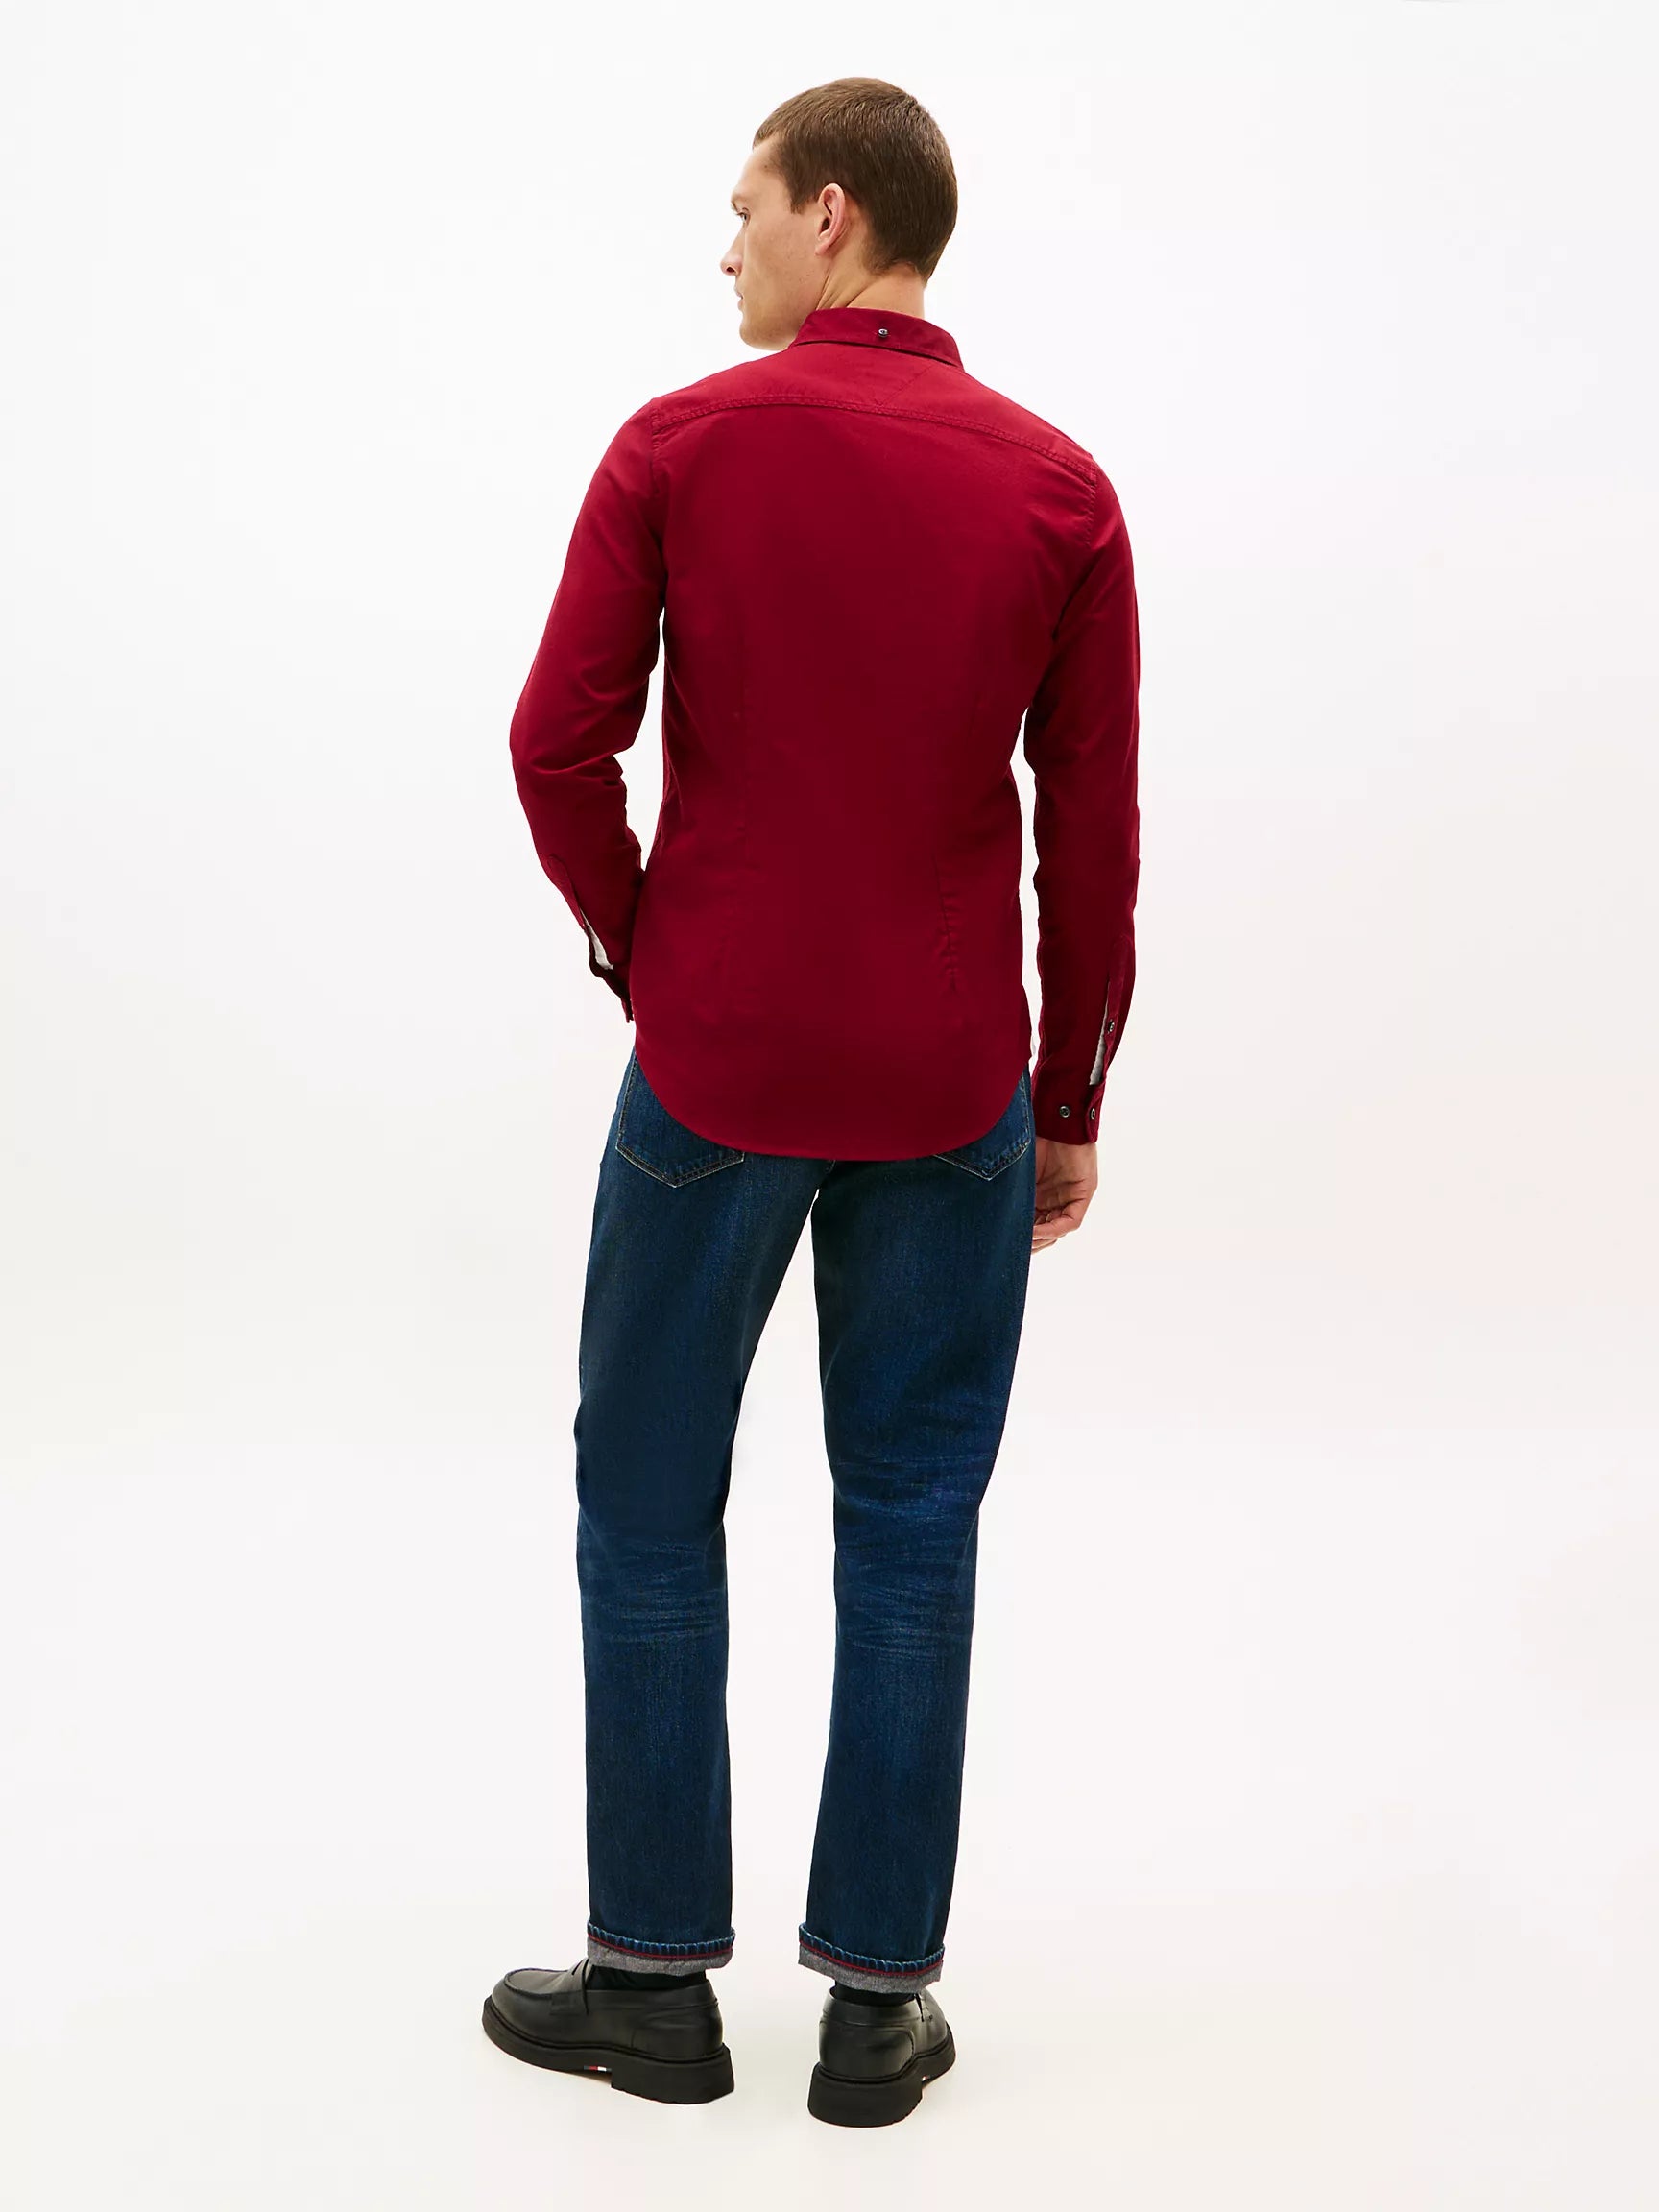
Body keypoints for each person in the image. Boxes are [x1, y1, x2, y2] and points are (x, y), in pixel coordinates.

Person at [481, 75, 1141, 2128]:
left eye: (748, 208)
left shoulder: (681, 444)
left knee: (645, 1499)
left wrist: (645, 946)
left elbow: (555, 744)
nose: (731, 247)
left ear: (832, 215)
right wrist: (1069, 1087)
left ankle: (650, 1986)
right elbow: (1091, 838)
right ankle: (874, 2010)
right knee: (914, 1518)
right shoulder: (1058, 489)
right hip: (948, 1076)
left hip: (721, 1059)